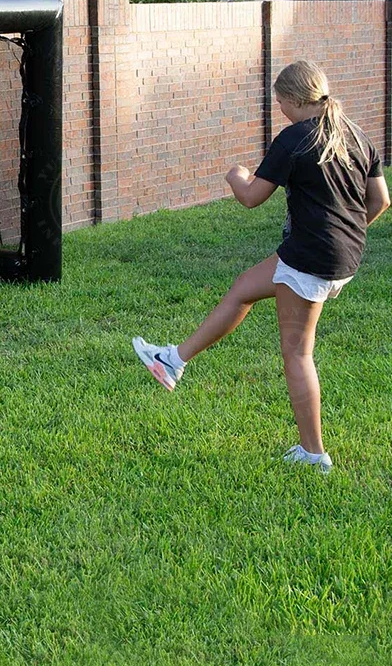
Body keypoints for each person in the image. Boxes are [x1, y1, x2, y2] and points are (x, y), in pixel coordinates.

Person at [132, 60, 389, 473]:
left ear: (289, 99)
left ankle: (313, 453)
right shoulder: (356, 135)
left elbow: (252, 197)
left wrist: (237, 175)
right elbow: (380, 201)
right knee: (243, 289)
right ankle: (172, 360)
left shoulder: (294, 138)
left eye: (279, 101)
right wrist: (345, 234)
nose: (279, 109)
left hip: (310, 260)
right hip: (341, 256)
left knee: (297, 353)